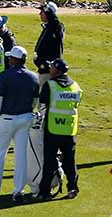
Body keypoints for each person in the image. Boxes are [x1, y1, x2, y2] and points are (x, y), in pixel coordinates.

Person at [0, 45, 41, 202]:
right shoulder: (33, 76)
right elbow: (35, 101)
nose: (8, 59)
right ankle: (19, 191)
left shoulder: (5, 76)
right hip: (25, 119)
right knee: (21, 156)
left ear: (14, 60)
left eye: (10, 58)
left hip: (6, 119)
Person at [35, 58, 80, 201]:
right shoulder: (75, 86)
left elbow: (41, 107)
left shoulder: (50, 85)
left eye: (52, 67)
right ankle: (72, 188)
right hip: (69, 130)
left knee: (49, 162)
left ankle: (45, 191)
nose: (50, 69)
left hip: (52, 130)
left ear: (57, 70)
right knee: (70, 162)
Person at [34, 2, 64, 82]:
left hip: (51, 71)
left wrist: (45, 6)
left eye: (42, 12)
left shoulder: (57, 27)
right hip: (44, 69)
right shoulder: (48, 27)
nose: (40, 14)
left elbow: (54, 20)